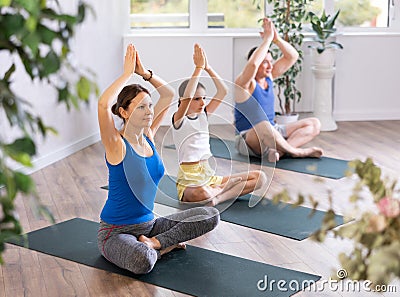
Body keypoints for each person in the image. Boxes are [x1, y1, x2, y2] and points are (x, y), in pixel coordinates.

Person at [97, 44, 220, 275]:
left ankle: (157, 243)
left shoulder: (149, 136)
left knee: (210, 215)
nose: (149, 111)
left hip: (151, 226)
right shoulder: (116, 145)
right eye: (141, 107)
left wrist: (144, 74)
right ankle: (163, 246)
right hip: (116, 233)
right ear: (124, 112)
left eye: (150, 106)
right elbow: (103, 105)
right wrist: (126, 74)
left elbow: (169, 94)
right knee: (142, 260)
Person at [172, 44, 267, 206]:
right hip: (190, 182)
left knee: (260, 178)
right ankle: (221, 190)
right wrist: (198, 69)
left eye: (204, 98)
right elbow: (187, 96)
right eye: (197, 99)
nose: (202, 102)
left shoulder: (204, 115)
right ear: (183, 101)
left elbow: (223, 90)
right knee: (201, 193)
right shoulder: (179, 120)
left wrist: (207, 68)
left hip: (209, 177)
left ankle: (218, 197)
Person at [234, 18, 323, 162]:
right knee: (264, 125)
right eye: (265, 62)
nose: (270, 65)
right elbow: (252, 66)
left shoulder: (269, 77)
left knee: (314, 123)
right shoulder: (244, 84)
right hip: (249, 138)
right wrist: (266, 40)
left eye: (271, 61)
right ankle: (296, 152)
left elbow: (292, 56)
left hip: (273, 131)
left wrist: (277, 39)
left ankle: (279, 152)